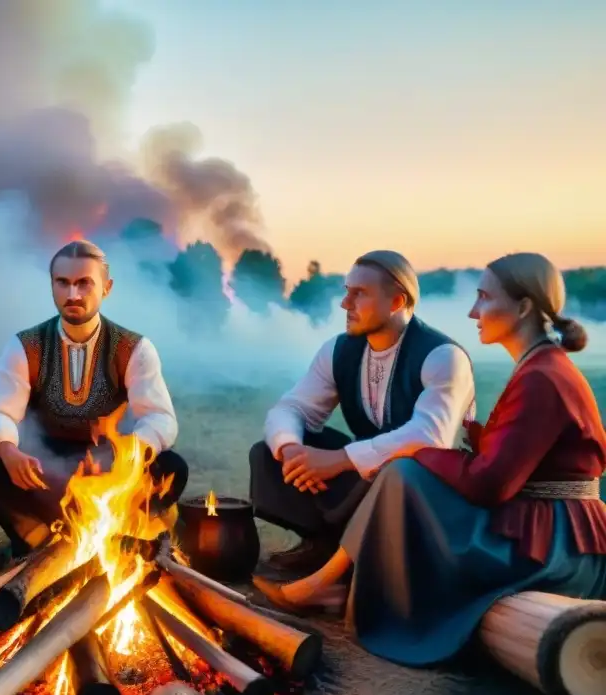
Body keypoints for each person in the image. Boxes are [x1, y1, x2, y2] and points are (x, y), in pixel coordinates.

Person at [255, 251, 606, 666]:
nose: (473, 310)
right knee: (302, 457)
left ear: (524, 307)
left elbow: (488, 481)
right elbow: (503, 463)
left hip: (552, 544)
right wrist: (297, 449)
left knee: (403, 469)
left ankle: (326, 581)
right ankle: (327, 568)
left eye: (484, 298)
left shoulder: (539, 375)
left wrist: (418, 454)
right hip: (533, 521)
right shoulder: (539, 368)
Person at [249, 250, 476, 575]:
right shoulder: (339, 350)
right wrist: (291, 450)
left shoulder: (442, 356)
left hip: (426, 489)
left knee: (395, 471)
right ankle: (325, 547)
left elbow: (430, 437)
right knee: (267, 453)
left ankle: (365, 564)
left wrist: (339, 459)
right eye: (346, 292)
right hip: (368, 475)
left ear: (396, 302)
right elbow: (293, 407)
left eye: (359, 294)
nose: (345, 304)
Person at [0, 239, 188, 557]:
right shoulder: (25, 346)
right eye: (63, 283)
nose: (73, 295)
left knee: (170, 466)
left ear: (106, 288)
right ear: (51, 285)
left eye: (84, 283)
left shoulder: (134, 348)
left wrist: (129, 456)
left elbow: (160, 418)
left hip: (111, 462)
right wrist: (8, 450)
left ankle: (112, 538)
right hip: (43, 467)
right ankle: (37, 540)